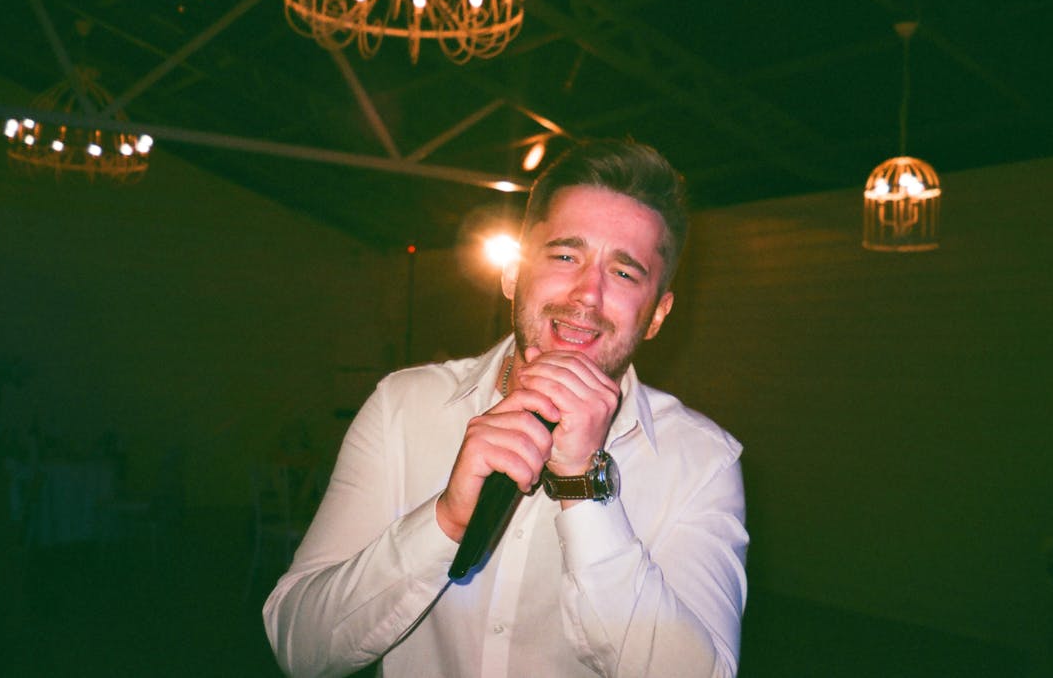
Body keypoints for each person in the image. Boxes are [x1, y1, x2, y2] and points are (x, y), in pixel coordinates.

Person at [263, 139, 748, 677]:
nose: (588, 294)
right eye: (565, 256)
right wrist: (445, 521)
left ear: (657, 314)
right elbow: (298, 647)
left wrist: (583, 487)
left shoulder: (702, 462)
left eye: (624, 273)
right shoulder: (402, 406)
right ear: (513, 274)